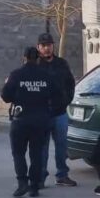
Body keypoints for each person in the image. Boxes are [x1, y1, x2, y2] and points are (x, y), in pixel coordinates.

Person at [1, 47, 63, 198]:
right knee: (36, 154)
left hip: (20, 119)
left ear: (24, 58)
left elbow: (5, 96)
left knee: (18, 153)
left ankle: (22, 183)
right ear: (38, 58)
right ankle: (34, 186)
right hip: (41, 120)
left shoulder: (16, 75)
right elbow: (58, 95)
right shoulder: (47, 75)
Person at [35, 33, 78, 188]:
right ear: (38, 47)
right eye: (43, 45)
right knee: (42, 148)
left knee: (62, 146)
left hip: (60, 112)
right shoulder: (35, 65)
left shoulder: (61, 64)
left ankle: (62, 175)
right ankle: (40, 176)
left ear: (53, 46)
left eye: (49, 45)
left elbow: (70, 84)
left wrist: (66, 101)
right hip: (42, 114)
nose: (47, 48)